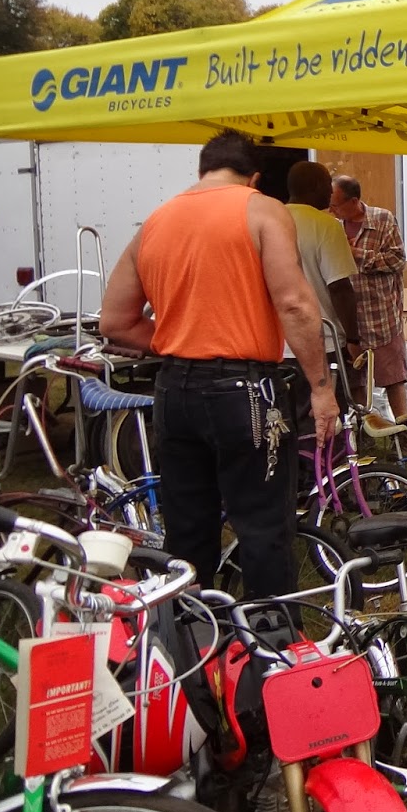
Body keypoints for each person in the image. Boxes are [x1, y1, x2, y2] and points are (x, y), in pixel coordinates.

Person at [99, 131, 336, 596]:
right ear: (254, 176)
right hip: (245, 390)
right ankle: (271, 647)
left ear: (202, 170)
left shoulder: (155, 221)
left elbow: (116, 322)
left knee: (186, 530)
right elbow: (294, 304)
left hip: (175, 392)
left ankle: (189, 640)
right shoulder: (262, 208)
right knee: (264, 526)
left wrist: (180, 340)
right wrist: (321, 387)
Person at [331, 174, 407, 417]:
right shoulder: (331, 226)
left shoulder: (382, 219)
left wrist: (357, 254)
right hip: (348, 319)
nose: (332, 210)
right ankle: (365, 432)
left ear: (354, 201)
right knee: (355, 381)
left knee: (393, 379)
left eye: (336, 205)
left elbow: (397, 260)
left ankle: (402, 433)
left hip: (381, 316)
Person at [285, 161, 361, 358]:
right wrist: (353, 338)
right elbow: (339, 287)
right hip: (323, 341)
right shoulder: (327, 226)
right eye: (328, 184)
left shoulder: (270, 220)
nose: (330, 191)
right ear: (316, 186)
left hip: (278, 344)